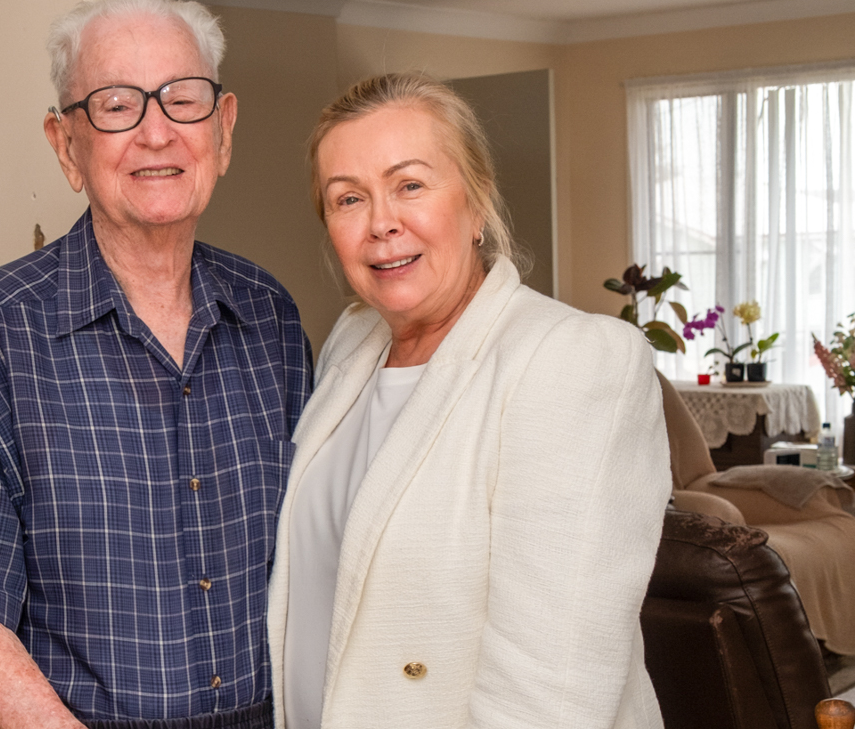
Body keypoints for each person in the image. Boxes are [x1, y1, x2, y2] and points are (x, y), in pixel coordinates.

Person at [0, 0, 312, 729]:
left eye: (183, 99)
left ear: (224, 128)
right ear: (65, 143)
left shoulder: (270, 316)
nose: (157, 133)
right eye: (117, 105)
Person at [266, 72, 671, 729]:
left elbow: (552, 694)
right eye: (348, 199)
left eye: (411, 185)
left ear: (477, 199)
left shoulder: (573, 360)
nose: (382, 224)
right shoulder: (350, 344)